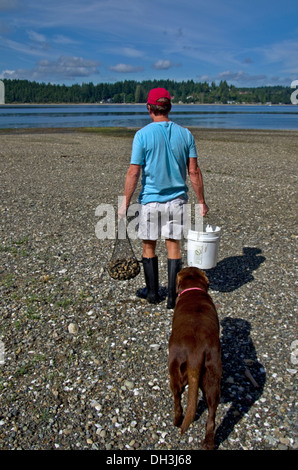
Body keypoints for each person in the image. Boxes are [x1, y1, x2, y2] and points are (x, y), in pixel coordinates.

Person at [118, 87, 209, 308]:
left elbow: (133, 172)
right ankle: (171, 298)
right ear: (169, 107)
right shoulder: (185, 134)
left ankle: (152, 294)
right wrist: (201, 201)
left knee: (148, 246)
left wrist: (125, 203)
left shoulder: (142, 135)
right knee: (173, 246)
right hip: (177, 200)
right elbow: (194, 171)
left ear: (149, 108)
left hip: (151, 200)